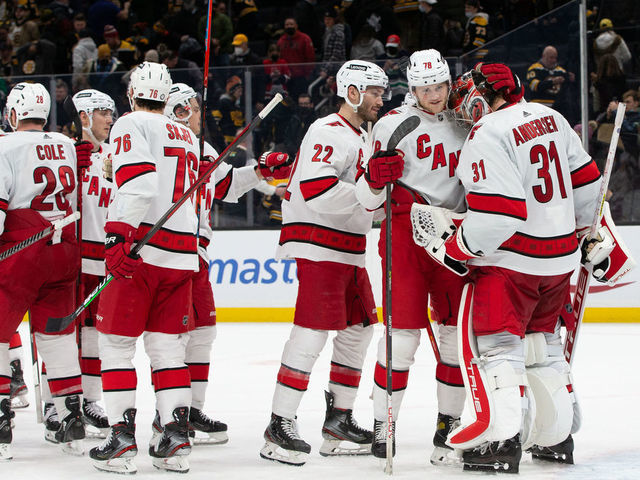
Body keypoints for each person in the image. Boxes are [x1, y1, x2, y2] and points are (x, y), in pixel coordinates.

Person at [426, 63, 619, 473]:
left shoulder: (487, 133)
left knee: (498, 348)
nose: (463, 108)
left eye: (467, 96)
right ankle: (555, 438)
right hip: (559, 261)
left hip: (511, 263)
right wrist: (585, 235)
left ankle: (499, 442)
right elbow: (589, 187)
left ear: (485, 93)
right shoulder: (551, 117)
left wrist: (457, 248)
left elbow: (500, 213)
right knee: (544, 348)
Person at [260, 60, 389, 466]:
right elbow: (317, 191)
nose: (380, 99)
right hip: (320, 246)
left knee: (359, 331)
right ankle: (278, 426)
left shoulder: (363, 136)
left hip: (348, 248)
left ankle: (339, 421)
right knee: (311, 333)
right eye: (374, 91)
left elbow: (366, 202)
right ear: (351, 92)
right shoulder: (328, 130)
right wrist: (371, 191)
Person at [355, 49, 469, 464]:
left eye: (439, 86)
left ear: (448, 82)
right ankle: (384, 426)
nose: (434, 94)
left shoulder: (466, 120)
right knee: (401, 339)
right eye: (425, 88)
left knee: (455, 339)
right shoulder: (390, 125)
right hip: (405, 234)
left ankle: (449, 428)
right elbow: (366, 200)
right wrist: (373, 179)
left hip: (456, 235)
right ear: (413, 87)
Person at [161, 83, 291, 444]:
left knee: (203, 334)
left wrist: (261, 171)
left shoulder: (202, 150)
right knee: (170, 339)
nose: (202, 114)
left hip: (197, 255)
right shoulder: (160, 149)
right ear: (180, 111)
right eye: (195, 108)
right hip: (168, 253)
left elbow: (226, 186)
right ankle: (168, 414)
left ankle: (191, 411)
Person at [89, 62, 196, 474]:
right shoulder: (185, 132)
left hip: (143, 249)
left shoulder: (130, 122)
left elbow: (142, 183)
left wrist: (117, 235)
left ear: (132, 95)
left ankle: (120, 439)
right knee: (167, 348)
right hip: (182, 252)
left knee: (115, 344)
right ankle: (173, 436)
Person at [0, 82, 91, 460]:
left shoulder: (4, 145)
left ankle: (1, 419)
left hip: (22, 251)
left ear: (14, 114)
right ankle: (70, 417)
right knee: (57, 336)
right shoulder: (67, 145)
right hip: (64, 250)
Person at [73, 89, 116, 438]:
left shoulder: (115, 155)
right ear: (84, 116)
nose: (109, 118)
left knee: (95, 335)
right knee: (61, 334)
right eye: (103, 112)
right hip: (73, 260)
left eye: (111, 112)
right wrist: (71, 165)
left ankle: (90, 399)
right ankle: (62, 403)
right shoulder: (69, 153)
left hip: (104, 260)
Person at [277, 18, 316, 98]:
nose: (289, 26)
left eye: (291, 24)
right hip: (287, 78)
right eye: (287, 25)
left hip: (301, 77)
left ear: (296, 26)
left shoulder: (304, 38)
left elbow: (310, 58)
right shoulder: (281, 41)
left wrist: (307, 74)